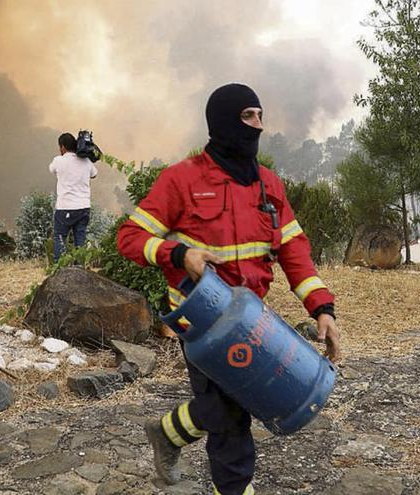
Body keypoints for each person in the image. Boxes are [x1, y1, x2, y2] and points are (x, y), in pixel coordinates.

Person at [117, 83, 341, 494]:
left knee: (231, 403)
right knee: (231, 423)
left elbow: (294, 250)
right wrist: (179, 253)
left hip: (253, 320)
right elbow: (130, 238)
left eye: (260, 116)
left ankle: (167, 433)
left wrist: (321, 306)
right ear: (222, 121)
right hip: (200, 321)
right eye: (248, 117)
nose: (258, 126)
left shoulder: (269, 185)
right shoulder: (181, 180)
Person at [48, 132, 98, 261]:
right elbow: (94, 174)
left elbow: (52, 169)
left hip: (65, 208)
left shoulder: (58, 161)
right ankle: (79, 269)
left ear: (62, 147)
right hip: (83, 208)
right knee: (80, 241)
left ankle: (59, 269)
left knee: (60, 237)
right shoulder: (86, 161)